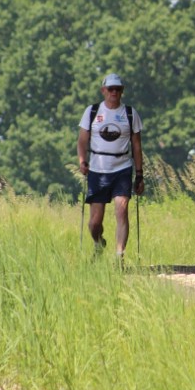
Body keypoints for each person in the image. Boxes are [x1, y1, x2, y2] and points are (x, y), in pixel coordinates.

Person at [77, 73, 144, 259]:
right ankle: (99, 242)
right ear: (103, 90)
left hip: (122, 168)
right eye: (111, 89)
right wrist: (82, 161)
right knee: (94, 223)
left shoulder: (130, 114)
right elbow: (82, 141)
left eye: (118, 89)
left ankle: (119, 255)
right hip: (97, 170)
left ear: (122, 91)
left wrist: (139, 174)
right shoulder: (92, 112)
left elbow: (137, 146)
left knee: (122, 210)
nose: (114, 92)